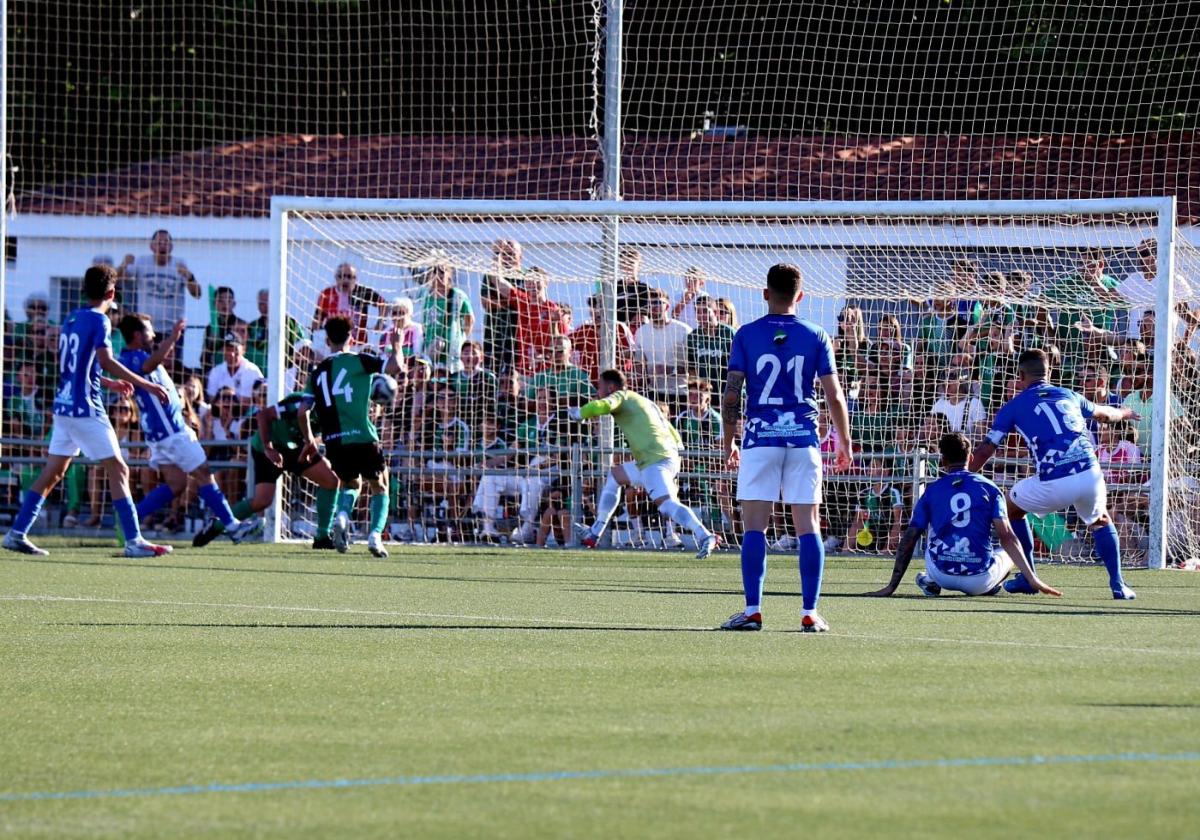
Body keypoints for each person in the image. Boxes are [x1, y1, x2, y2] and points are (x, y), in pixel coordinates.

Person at [718, 263, 853, 633]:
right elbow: (834, 395)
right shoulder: (816, 334)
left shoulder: (745, 334)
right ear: (801, 295)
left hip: (760, 439)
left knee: (754, 528)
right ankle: (809, 612)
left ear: (765, 294)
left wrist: (729, 442)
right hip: (803, 439)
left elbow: (732, 393)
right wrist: (844, 440)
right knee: (808, 525)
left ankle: (752, 609)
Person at [2, 264, 172, 558]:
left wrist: (109, 384)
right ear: (111, 292)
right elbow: (104, 359)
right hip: (85, 408)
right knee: (119, 468)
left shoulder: (71, 319)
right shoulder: (100, 321)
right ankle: (134, 541)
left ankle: (17, 532)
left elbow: (75, 365)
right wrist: (146, 384)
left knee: (53, 472)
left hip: (64, 406)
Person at [968, 348, 1141, 599]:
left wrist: (962, 474)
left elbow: (985, 450)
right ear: (1049, 372)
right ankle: (1119, 584)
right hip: (1090, 473)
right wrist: (1125, 412)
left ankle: (1029, 578)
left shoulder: (1013, 406)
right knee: (1101, 520)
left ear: (1020, 375)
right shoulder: (1069, 395)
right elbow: (1107, 414)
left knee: (1010, 508)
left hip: (1055, 481)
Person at [116, 314, 257, 544]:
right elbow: (148, 366)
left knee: (177, 484)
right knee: (203, 474)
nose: (153, 335)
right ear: (136, 335)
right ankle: (233, 526)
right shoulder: (132, 359)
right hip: (171, 433)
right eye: (149, 331)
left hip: (164, 434)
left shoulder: (141, 356)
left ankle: (129, 520)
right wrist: (173, 337)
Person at [866, 433, 1060, 598]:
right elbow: (1007, 537)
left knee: (932, 536)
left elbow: (910, 538)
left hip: (942, 573)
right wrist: (1032, 578)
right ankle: (992, 585)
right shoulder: (990, 489)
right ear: (971, 459)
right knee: (1007, 552)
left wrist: (891, 587)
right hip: (979, 579)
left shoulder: (932, 490)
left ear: (943, 461)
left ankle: (929, 580)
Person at [569, 369, 718, 558]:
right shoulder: (643, 400)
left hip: (655, 460)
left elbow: (601, 405)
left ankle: (705, 535)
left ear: (611, 387)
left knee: (667, 505)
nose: (597, 390)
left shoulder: (619, 396)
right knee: (615, 475)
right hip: (662, 457)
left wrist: (579, 413)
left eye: (599, 386)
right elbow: (670, 428)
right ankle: (596, 531)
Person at [192, 391, 343, 550]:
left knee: (331, 480)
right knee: (262, 501)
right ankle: (216, 526)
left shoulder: (335, 412)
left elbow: (321, 436)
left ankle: (322, 537)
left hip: (296, 448)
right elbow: (263, 415)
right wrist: (268, 448)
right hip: (268, 448)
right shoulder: (301, 402)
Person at [307, 315, 403, 556]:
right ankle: (374, 536)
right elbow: (395, 367)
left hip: (334, 441)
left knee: (351, 483)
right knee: (380, 486)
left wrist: (311, 436)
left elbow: (305, 409)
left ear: (327, 340)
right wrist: (397, 344)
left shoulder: (317, 372)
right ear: (351, 337)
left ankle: (341, 516)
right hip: (362, 435)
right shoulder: (359, 361)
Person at [117, 229, 202, 340]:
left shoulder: (179, 264)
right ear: (151, 246)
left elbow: (197, 294)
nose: (162, 245)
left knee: (173, 358)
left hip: (173, 329)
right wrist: (123, 264)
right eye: (158, 242)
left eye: (166, 242)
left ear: (171, 247)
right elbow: (117, 280)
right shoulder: (142, 262)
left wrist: (190, 276)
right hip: (146, 327)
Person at [311, 263, 386, 345]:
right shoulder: (327, 293)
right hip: (333, 344)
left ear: (355, 279)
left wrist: (380, 322)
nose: (345, 280)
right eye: (341, 276)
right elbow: (317, 321)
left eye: (349, 277)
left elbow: (383, 304)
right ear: (336, 278)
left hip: (357, 344)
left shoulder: (362, 292)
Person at [481, 239, 523, 373]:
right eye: (504, 254)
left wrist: (501, 300)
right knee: (491, 376)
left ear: (520, 256)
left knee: (514, 375)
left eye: (511, 253)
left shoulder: (526, 276)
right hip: (493, 335)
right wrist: (511, 301)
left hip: (517, 336)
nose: (507, 257)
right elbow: (486, 303)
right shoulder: (490, 276)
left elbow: (523, 304)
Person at [684, 294, 736, 396]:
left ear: (715, 312)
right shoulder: (693, 336)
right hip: (705, 393)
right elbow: (691, 368)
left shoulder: (729, 334)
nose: (701, 316)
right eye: (698, 312)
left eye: (704, 311)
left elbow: (739, 365)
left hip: (728, 390)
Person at [205, 333, 264, 404]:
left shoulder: (253, 371)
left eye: (235, 350)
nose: (231, 354)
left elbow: (254, 400)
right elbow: (212, 398)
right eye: (228, 349)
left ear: (243, 350)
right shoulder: (216, 371)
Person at [201, 286, 247, 371]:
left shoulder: (241, 325)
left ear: (234, 303)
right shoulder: (210, 328)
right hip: (216, 371)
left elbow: (247, 352)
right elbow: (204, 356)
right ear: (215, 304)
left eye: (229, 301)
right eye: (221, 301)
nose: (225, 304)